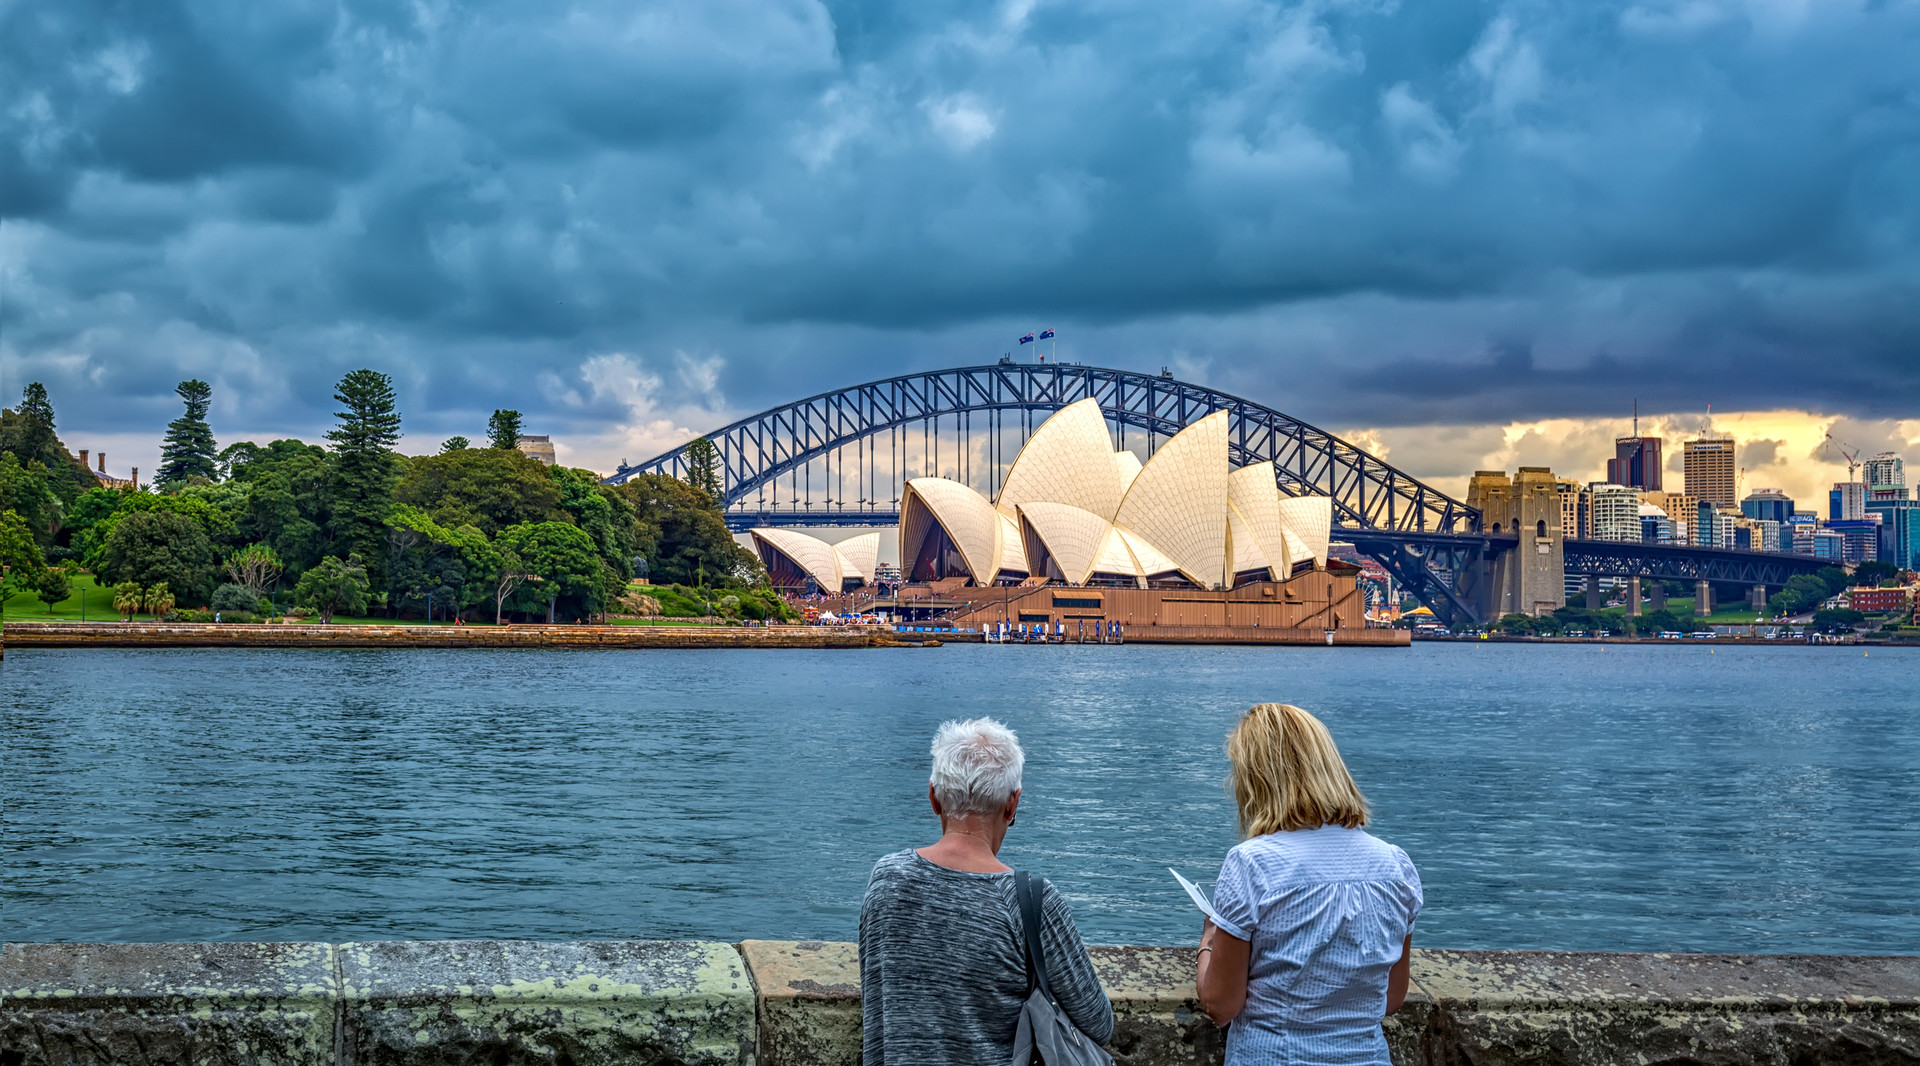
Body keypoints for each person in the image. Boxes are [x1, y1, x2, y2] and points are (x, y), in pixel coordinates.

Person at [859, 717, 1114, 1065]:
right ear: (1012, 804)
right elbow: (1098, 1022)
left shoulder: (887, 879)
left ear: (934, 797)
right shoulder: (1032, 902)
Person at [1196, 703, 1422, 1064]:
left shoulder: (1252, 864)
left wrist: (1209, 941)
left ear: (1257, 780)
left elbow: (1220, 1005)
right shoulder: (1396, 867)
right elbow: (1391, 999)